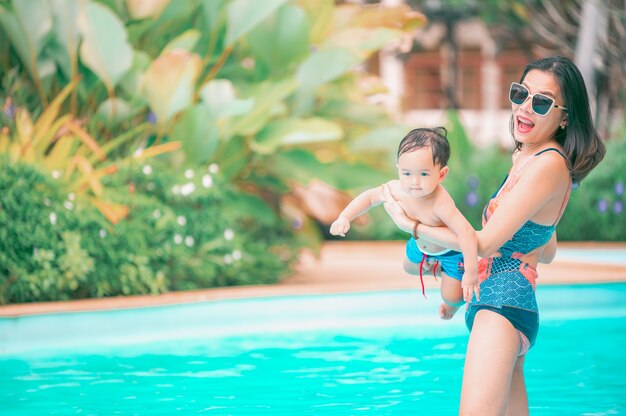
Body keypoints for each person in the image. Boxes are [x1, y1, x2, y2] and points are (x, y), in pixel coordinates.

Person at [382, 56, 605, 415]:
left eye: (542, 101)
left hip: (501, 306)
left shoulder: (548, 163)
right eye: (521, 94)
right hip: (503, 302)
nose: (525, 107)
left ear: (564, 116)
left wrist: (414, 227)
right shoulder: (529, 156)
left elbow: (485, 242)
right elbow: (546, 247)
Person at [330, 127, 479, 319]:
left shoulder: (440, 203)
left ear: (441, 174)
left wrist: (471, 273)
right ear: (399, 169)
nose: (414, 181)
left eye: (424, 174)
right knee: (408, 267)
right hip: (421, 245)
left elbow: (467, 233)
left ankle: (452, 302)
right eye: (407, 173)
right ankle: (442, 272)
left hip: (449, 252)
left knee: (453, 296)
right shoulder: (396, 188)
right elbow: (369, 197)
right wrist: (344, 217)